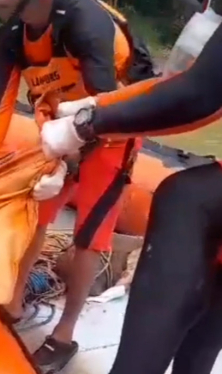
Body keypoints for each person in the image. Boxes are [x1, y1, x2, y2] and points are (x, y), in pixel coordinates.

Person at [0, 0, 156, 370]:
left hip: (112, 130)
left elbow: (104, 109)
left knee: (89, 233)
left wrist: (67, 165)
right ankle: (13, 301)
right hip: (59, 127)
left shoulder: (84, 22)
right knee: (38, 213)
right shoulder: (11, 35)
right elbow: (1, 104)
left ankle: (64, 334)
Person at [39, 4, 222, 372]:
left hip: (107, 147)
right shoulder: (12, 40)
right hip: (91, 130)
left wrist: (88, 123)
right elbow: (181, 84)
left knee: (184, 198)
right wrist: (96, 107)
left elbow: (198, 94)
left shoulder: (86, 24)